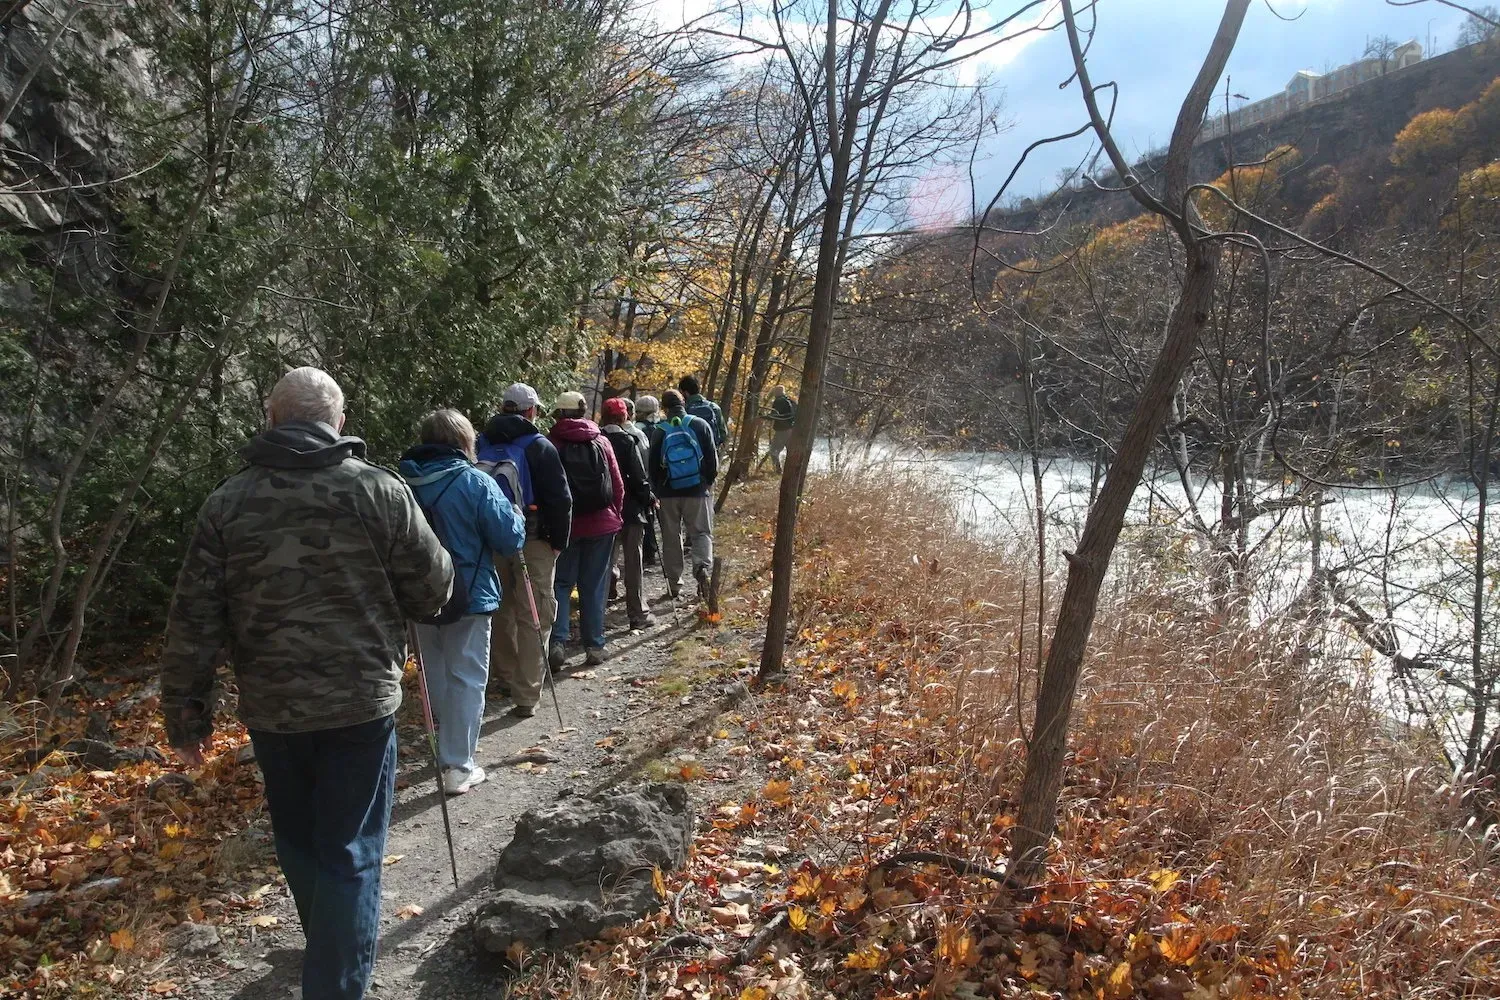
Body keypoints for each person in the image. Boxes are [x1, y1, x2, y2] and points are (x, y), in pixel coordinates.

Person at [160, 367, 453, 1000]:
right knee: (348, 849)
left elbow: (194, 618)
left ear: (271, 418)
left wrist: (187, 720)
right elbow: (433, 590)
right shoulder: (380, 492)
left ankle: (330, 953)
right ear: (337, 422)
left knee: (298, 842)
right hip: (359, 704)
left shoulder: (228, 503)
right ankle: (336, 981)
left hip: (274, 710)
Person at [400, 409, 526, 783]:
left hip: (418, 594)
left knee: (436, 672)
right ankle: (458, 764)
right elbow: (508, 538)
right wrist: (516, 513)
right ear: (463, 441)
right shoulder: (475, 482)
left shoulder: (400, 482)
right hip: (468, 593)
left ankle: (447, 747)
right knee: (467, 676)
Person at [477, 383, 572, 718]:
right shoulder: (539, 446)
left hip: (494, 538)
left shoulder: (481, 442)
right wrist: (558, 542)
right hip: (534, 540)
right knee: (535, 613)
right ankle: (527, 694)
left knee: (499, 609)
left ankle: (503, 677)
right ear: (531, 410)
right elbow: (560, 499)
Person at [548, 391, 624, 667]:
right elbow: (617, 484)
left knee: (561, 584)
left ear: (559, 413)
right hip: (602, 524)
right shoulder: (601, 441)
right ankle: (594, 646)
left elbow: (548, 490)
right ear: (583, 412)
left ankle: (557, 642)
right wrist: (615, 515)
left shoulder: (550, 443)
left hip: (566, 527)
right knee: (593, 586)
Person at [648, 389, 719, 601]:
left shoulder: (659, 431)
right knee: (701, 533)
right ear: (683, 402)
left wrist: (658, 490)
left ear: (664, 408)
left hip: (669, 493)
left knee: (671, 538)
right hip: (697, 491)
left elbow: (653, 466)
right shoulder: (699, 424)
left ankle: (674, 584)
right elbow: (712, 461)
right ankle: (702, 569)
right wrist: (705, 483)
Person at [601, 397, 657, 630]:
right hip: (631, 511)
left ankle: (596, 618)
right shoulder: (628, 440)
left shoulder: (596, 440)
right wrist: (649, 498)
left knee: (603, 563)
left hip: (603, 512)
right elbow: (638, 477)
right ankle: (637, 613)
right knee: (633, 563)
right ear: (625, 416)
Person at [635, 395, 663, 566]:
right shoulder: (662, 428)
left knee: (648, 516)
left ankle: (649, 552)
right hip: (663, 478)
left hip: (645, 477)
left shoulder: (637, 430)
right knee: (665, 519)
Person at [677, 375, 728, 450]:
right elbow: (723, 435)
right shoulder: (714, 407)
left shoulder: (682, 411)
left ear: (685, 393)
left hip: (689, 456)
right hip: (710, 454)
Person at [762, 384, 798, 474]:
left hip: (782, 430)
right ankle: (792, 471)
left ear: (777, 392)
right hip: (790, 430)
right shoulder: (789, 401)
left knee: (773, 451)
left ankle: (778, 470)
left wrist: (763, 417)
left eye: (775, 392)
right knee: (791, 451)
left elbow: (775, 415)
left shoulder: (779, 401)